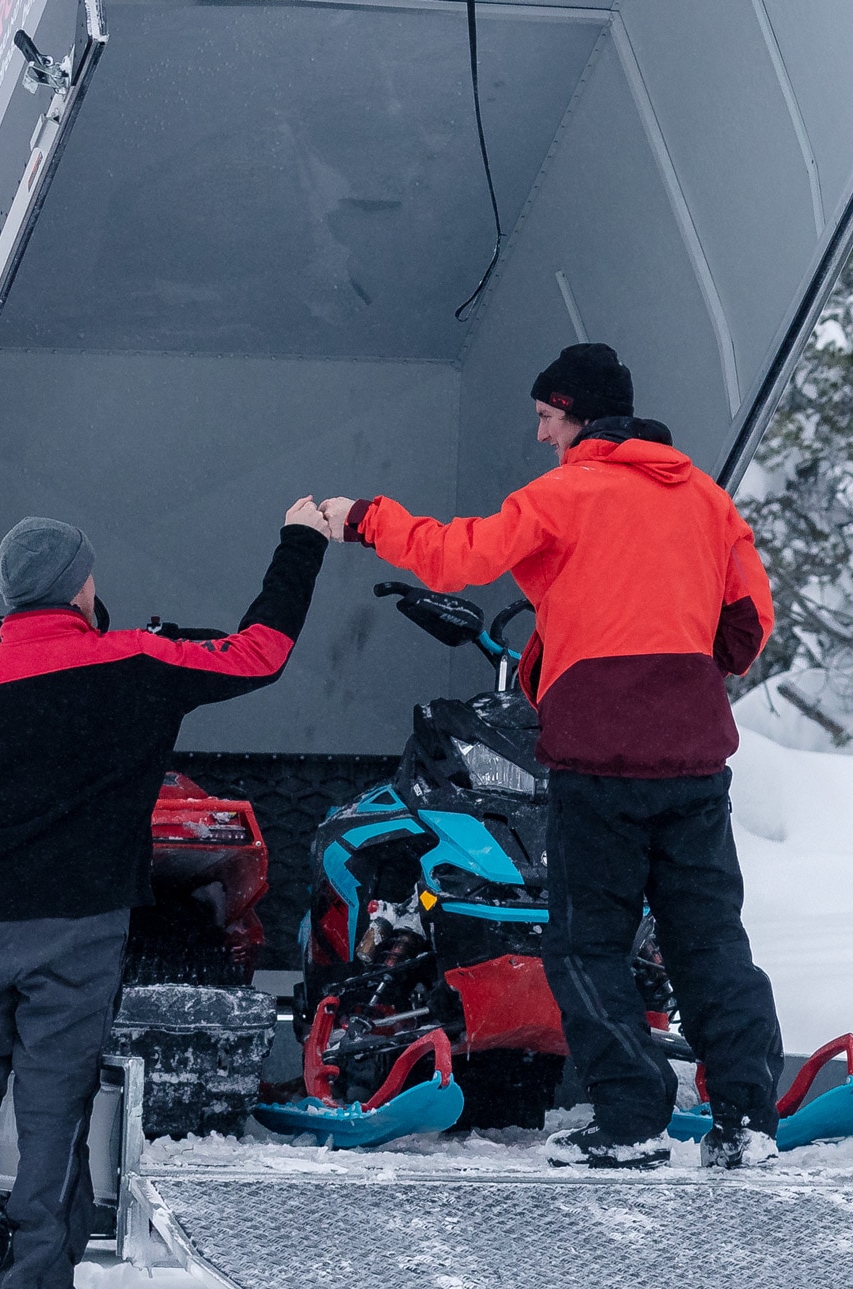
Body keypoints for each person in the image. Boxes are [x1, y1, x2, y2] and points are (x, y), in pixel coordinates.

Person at [0, 499, 332, 1289]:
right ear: (79, 586)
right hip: (80, 934)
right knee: (53, 1124)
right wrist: (301, 540)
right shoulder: (136, 664)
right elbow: (261, 651)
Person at [321, 343, 782, 1171]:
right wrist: (670, 664)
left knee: (584, 947)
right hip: (694, 760)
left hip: (600, 762)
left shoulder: (564, 495)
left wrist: (365, 517)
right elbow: (749, 628)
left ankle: (635, 1121)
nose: (539, 436)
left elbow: (457, 556)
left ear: (579, 416)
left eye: (545, 417)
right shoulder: (706, 499)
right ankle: (747, 1121)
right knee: (709, 941)